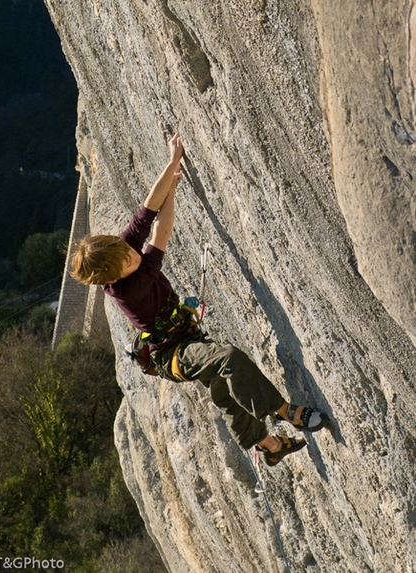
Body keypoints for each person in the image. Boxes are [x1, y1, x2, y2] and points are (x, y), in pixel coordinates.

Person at [71, 133, 329, 466]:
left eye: (130, 253)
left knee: (226, 393)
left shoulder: (120, 252)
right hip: (171, 353)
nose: (133, 257)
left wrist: (172, 162)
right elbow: (160, 232)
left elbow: (146, 211)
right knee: (229, 359)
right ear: (110, 278)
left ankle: (270, 446)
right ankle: (285, 412)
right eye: (128, 263)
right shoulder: (127, 289)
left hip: (185, 336)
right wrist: (174, 190)